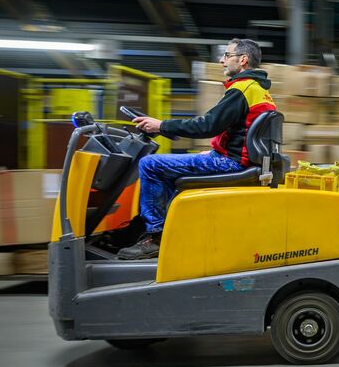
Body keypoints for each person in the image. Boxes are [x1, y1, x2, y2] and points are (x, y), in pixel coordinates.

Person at [118, 38, 276, 260]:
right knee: (170, 167)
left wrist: (161, 125)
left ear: (243, 60)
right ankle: (172, 230)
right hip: (234, 159)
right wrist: (214, 151)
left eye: (226, 55)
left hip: (230, 163)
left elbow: (206, 125)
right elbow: (238, 131)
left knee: (149, 165)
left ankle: (155, 236)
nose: (222, 60)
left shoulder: (242, 89)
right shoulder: (258, 90)